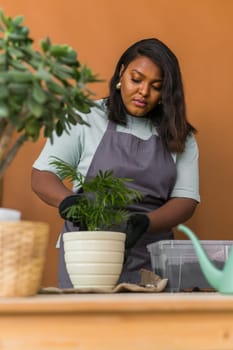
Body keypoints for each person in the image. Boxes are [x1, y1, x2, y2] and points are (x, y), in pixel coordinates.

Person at [31, 38, 200, 288]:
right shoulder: (86, 116)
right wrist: (68, 202)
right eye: (136, 79)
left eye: (156, 86)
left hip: (150, 255)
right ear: (121, 72)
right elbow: (42, 175)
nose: (144, 91)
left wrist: (146, 223)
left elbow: (186, 200)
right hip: (88, 252)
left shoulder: (179, 134)